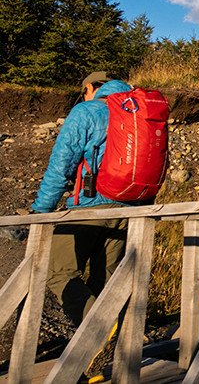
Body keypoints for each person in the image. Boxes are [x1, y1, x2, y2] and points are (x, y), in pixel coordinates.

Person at [31, 71, 133, 326]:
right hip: (130, 208)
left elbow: (61, 164)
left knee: (58, 273)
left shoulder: (86, 110)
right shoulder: (136, 112)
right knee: (105, 280)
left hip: (89, 207)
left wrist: (42, 209)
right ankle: (104, 352)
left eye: (84, 92)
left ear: (91, 87)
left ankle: (99, 331)